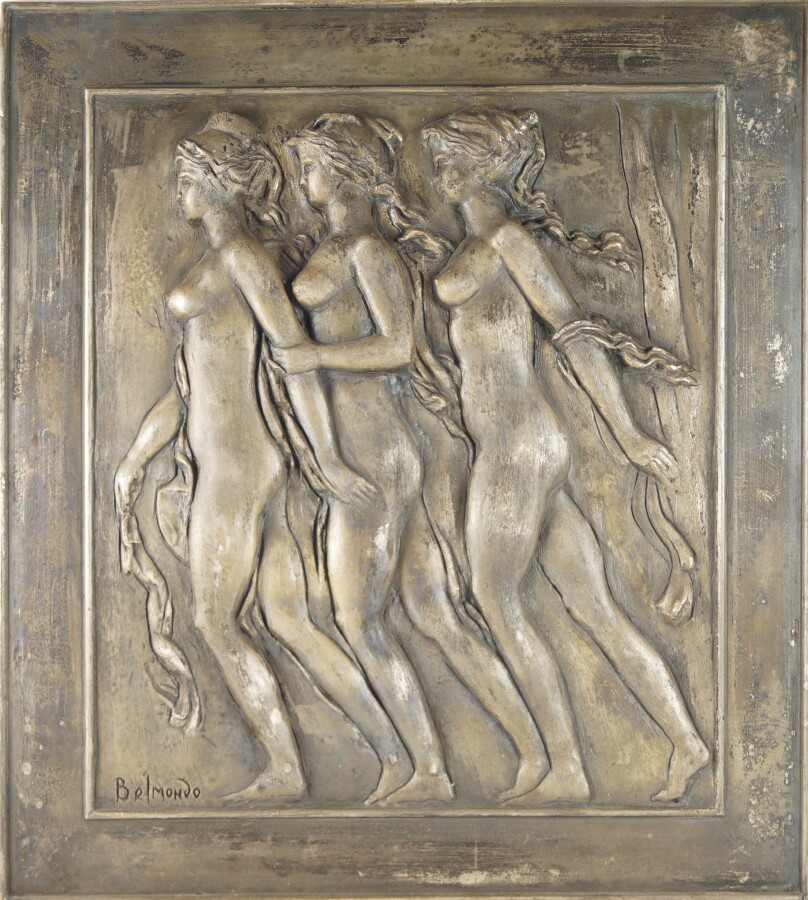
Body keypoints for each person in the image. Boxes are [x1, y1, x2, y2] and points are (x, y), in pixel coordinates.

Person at [114, 112, 408, 805]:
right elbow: (192, 385)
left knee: (216, 621)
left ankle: (286, 769)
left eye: (189, 175)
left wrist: (328, 459)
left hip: (237, 469)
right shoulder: (230, 259)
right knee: (288, 620)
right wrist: (136, 457)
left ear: (221, 183)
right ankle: (397, 755)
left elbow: (292, 358)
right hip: (241, 463)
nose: (179, 188)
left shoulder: (243, 258)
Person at [420, 106, 710, 803]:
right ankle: (688, 742)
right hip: (519, 446)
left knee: (494, 598)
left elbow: (573, 333)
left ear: (488, 165)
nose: (440, 168)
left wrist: (628, 435)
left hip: (517, 447)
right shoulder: (475, 245)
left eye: (453, 154)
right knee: (595, 608)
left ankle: (567, 768)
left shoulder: (507, 240)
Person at [277, 112, 548, 804]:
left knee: (358, 621)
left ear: (345, 171)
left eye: (312, 164)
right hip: (381, 450)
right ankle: (531, 753)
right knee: (432, 612)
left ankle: (426, 769)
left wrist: (314, 356)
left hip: (374, 453)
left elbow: (397, 345)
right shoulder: (339, 245)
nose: (304, 177)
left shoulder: (369, 250)